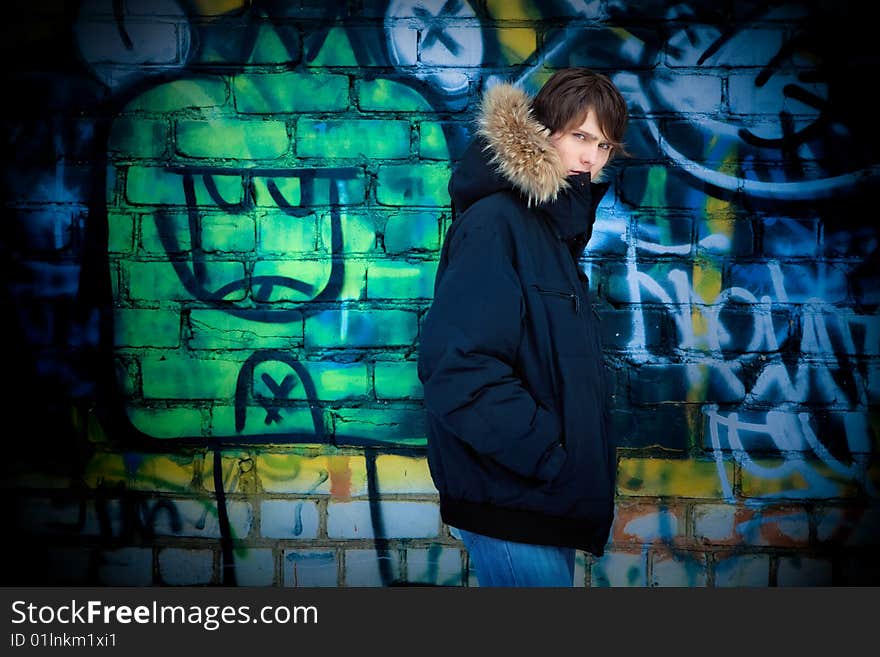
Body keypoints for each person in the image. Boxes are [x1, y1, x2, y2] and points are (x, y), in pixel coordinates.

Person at [417, 68, 629, 587]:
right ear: (541, 129)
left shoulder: (549, 232)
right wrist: (544, 453)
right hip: (512, 495)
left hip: (537, 498)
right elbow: (457, 368)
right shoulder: (497, 223)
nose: (590, 159)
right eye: (580, 136)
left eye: (603, 146)